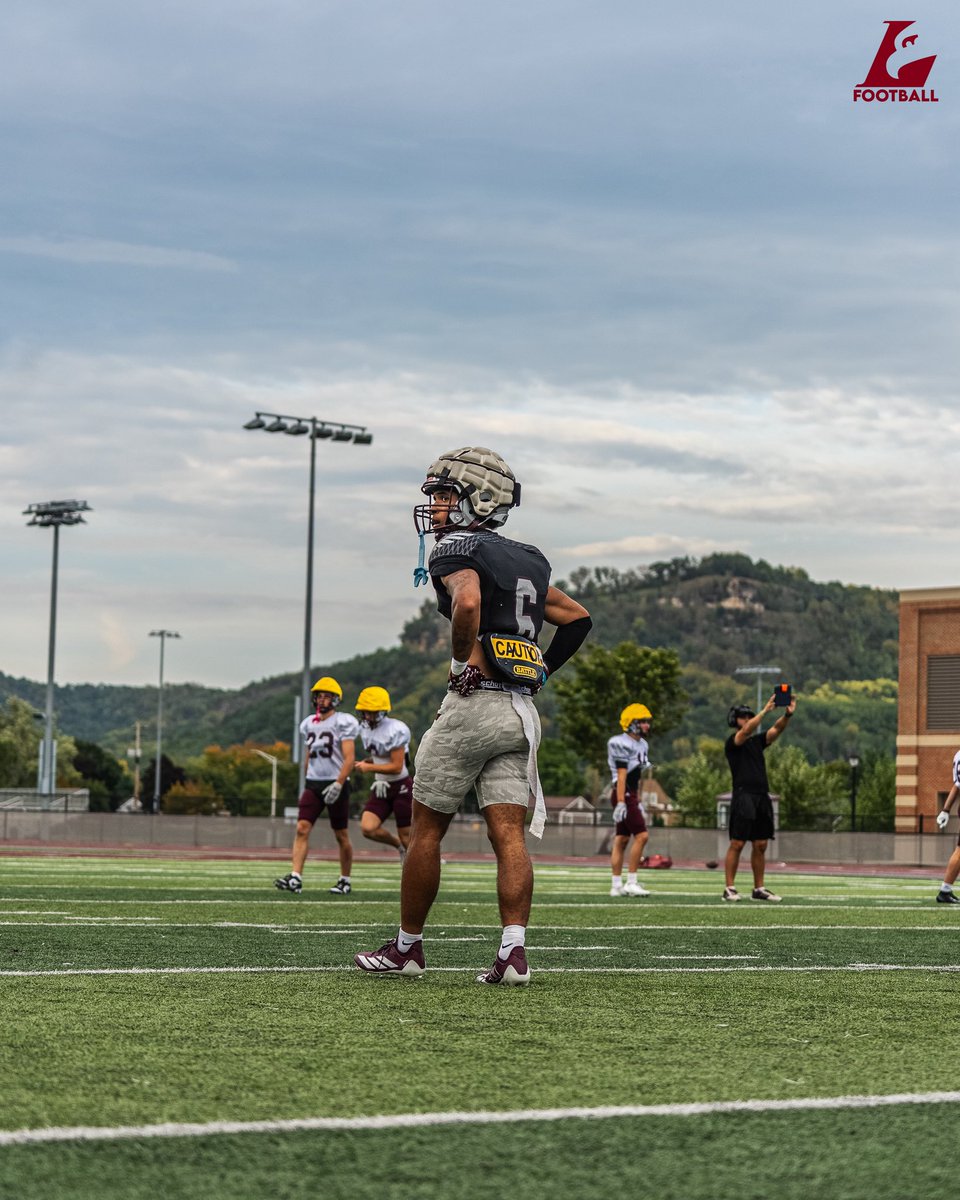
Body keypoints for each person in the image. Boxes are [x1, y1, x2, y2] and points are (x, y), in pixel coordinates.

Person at [355, 446, 592, 985]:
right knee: (507, 836)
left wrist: (462, 662)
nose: (435, 506)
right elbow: (576, 618)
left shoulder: (457, 549)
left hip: (475, 703)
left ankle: (407, 947)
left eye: (443, 495)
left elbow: (467, 604)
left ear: (477, 499)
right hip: (521, 712)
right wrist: (545, 670)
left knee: (425, 831)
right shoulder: (529, 558)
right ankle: (513, 952)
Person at [275, 676, 358, 896]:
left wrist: (339, 784)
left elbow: (349, 758)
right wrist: (305, 780)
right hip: (313, 783)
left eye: (326, 696)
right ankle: (295, 877)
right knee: (302, 828)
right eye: (319, 696)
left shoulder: (343, 721)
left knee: (341, 834)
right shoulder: (308, 724)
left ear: (335, 700)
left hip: (335, 782)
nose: (321, 700)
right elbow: (308, 755)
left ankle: (345, 880)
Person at [722, 692, 797, 902]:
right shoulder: (733, 742)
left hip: (761, 796)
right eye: (742, 717)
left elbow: (776, 730)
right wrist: (765, 711)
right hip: (743, 795)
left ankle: (758, 888)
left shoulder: (756, 742)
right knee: (737, 843)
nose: (746, 720)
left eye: (748, 716)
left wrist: (787, 715)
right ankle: (729, 887)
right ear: (735, 720)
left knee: (761, 844)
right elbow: (746, 730)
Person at [354, 686, 413, 861]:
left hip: (400, 786)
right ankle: (398, 847)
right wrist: (369, 762)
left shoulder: (395, 729)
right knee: (368, 828)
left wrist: (368, 768)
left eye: (372, 712)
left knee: (407, 836)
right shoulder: (364, 729)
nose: (368, 716)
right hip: (381, 786)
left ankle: (422, 863)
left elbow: (396, 766)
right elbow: (381, 757)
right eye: (366, 712)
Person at [606, 704, 654, 898]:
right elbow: (622, 775)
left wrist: (638, 798)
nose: (647, 726)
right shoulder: (620, 742)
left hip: (630, 793)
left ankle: (616, 885)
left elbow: (637, 776)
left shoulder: (643, 744)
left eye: (647, 721)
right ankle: (631, 882)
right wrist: (621, 801)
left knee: (622, 839)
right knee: (642, 836)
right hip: (622, 792)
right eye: (642, 721)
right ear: (632, 723)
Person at [933, 748, 960, 903]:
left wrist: (946, 809)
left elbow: (957, 785)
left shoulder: (958, 755)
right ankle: (945, 890)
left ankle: (945, 890)